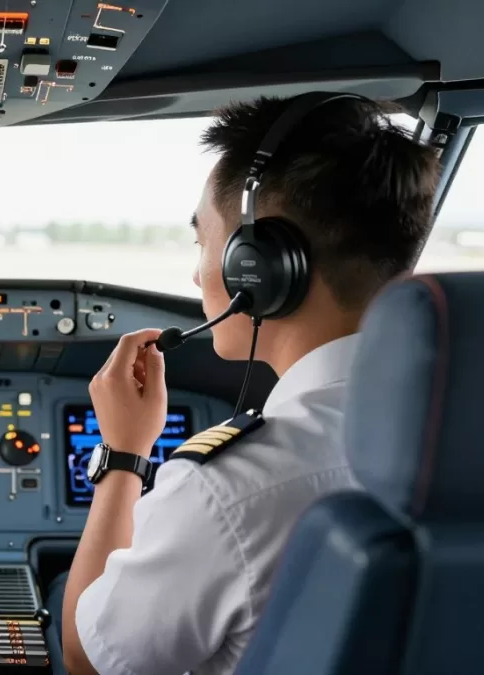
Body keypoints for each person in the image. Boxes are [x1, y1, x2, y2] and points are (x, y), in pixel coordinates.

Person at [50, 94, 441, 675]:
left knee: (63, 593)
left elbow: (90, 659)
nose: (195, 271)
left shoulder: (230, 490)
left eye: (204, 242)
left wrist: (125, 455)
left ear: (257, 268)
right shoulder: (461, 433)